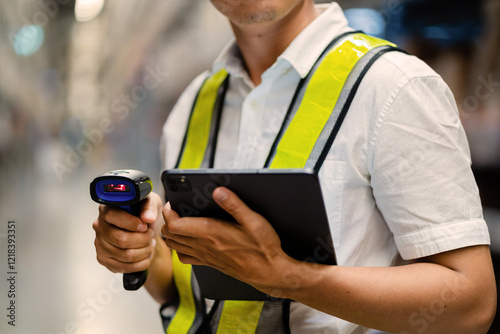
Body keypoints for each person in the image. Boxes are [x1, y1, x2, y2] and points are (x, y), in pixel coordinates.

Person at [92, 1, 497, 333]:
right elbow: (190, 294)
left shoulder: (392, 87)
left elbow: (471, 303)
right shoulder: (192, 105)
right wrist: (140, 251)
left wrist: (290, 278)